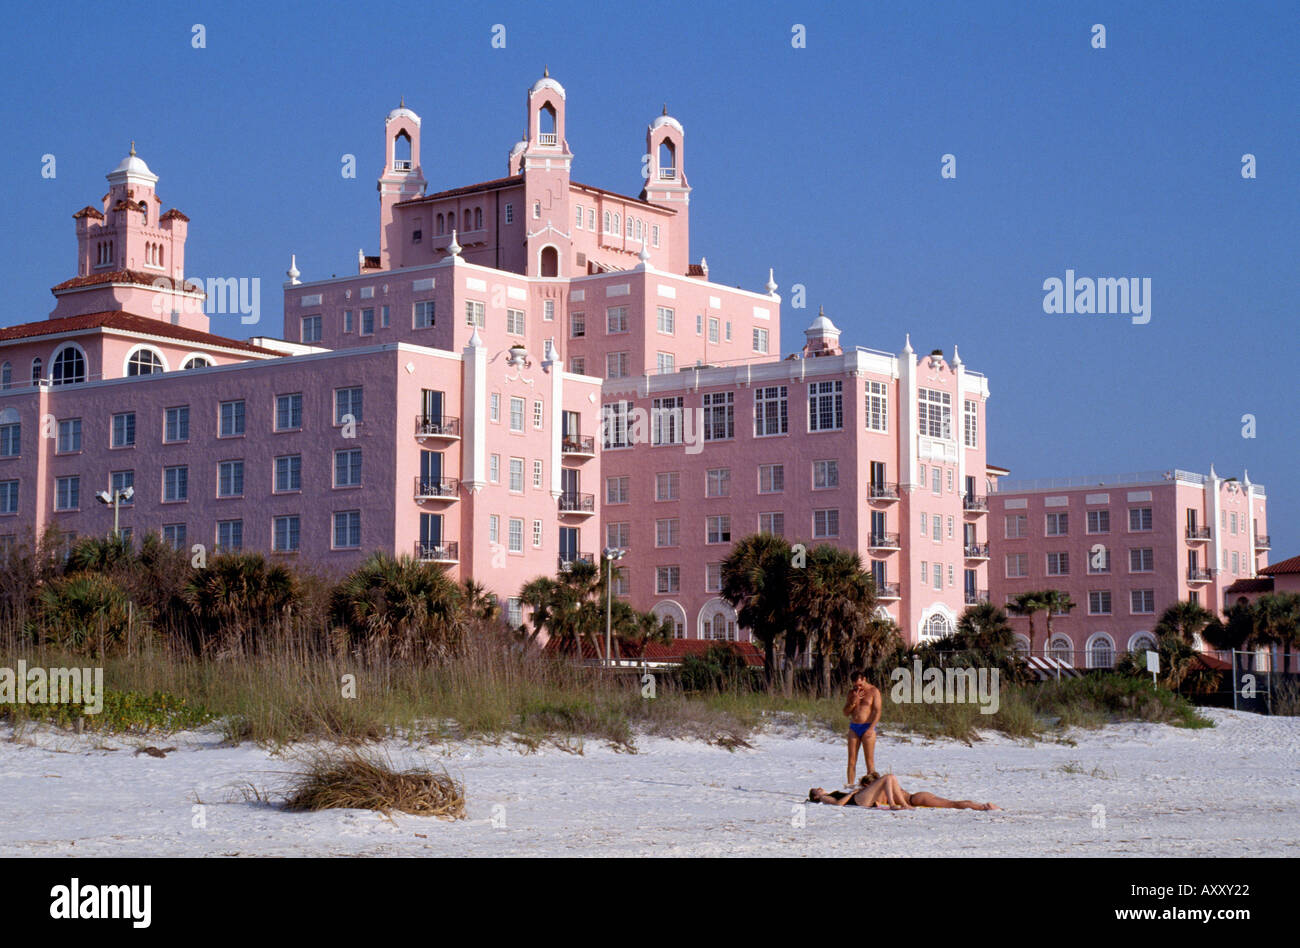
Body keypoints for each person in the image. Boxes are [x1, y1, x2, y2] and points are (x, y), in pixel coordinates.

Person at [807, 773, 1000, 811]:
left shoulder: (831, 792)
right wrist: (853, 793)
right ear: (815, 795)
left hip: (911, 799)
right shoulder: (824, 797)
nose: (819, 788)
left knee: (952, 803)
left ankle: (982, 807)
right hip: (858, 800)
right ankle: (982, 806)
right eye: (816, 790)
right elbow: (839, 804)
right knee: (951, 803)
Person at [842, 670, 881, 787]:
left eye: (860, 684)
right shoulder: (852, 693)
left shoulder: (874, 691)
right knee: (851, 760)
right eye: (855, 685)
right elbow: (845, 712)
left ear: (864, 679)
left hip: (867, 727)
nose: (858, 687)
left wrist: (871, 728)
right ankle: (850, 786)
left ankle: (872, 787)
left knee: (869, 761)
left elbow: (877, 711)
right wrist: (853, 701)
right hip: (854, 727)